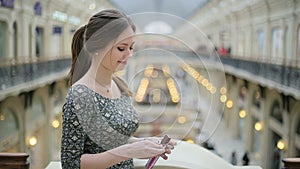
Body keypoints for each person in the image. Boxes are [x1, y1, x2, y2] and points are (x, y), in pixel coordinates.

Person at [61, 9, 177, 169]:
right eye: (122, 48)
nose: (129, 54)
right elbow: (70, 164)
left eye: (131, 47)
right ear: (96, 47)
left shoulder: (118, 85)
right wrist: (129, 150)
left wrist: (146, 143)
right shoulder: (80, 95)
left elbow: (113, 139)